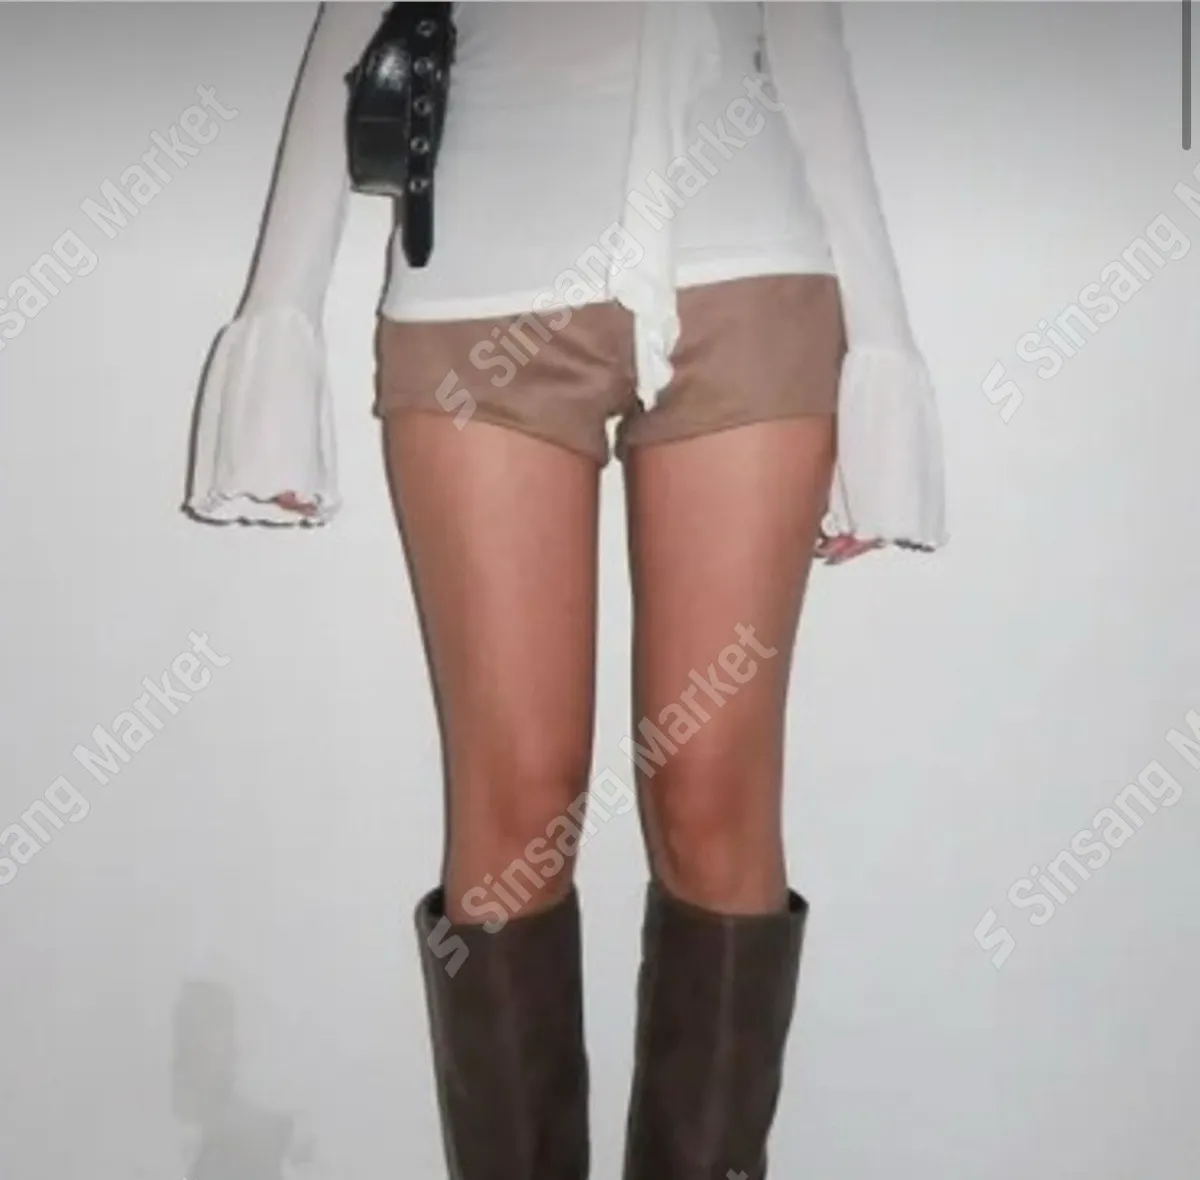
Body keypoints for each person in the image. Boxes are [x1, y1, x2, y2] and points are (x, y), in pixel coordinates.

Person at [186, 3, 947, 1176]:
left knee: (711, 794)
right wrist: (281, 316)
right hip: (477, 291)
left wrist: (883, 350)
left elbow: (804, 37)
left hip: (748, 276)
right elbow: (352, 23)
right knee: (517, 809)